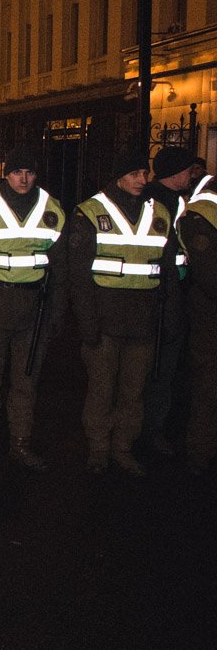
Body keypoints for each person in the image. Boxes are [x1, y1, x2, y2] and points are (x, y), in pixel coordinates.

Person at [70, 149, 179, 477]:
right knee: (101, 391)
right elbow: (79, 276)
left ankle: (123, 448)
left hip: (143, 322)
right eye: (134, 174)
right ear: (118, 176)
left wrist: (171, 317)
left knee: (133, 392)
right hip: (105, 322)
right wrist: (87, 325)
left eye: (144, 174)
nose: (142, 180)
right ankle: (99, 449)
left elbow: (168, 272)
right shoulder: (90, 212)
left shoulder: (158, 212)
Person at [0, 147, 66, 472]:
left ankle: (20, 445)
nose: (23, 179)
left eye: (30, 172)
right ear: (5, 173)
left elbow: (62, 268)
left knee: (26, 383)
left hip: (34, 307)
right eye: (17, 172)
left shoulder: (53, 209)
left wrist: (55, 314)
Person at [141, 146, 194, 456]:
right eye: (188, 169)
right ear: (176, 172)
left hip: (164, 290)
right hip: (163, 293)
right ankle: (151, 430)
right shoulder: (165, 203)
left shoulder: (167, 200)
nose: (192, 175)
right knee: (158, 368)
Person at [179, 177, 217, 475]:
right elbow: (207, 273)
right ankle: (199, 454)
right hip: (209, 312)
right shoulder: (201, 213)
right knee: (208, 385)